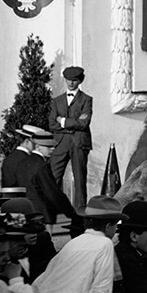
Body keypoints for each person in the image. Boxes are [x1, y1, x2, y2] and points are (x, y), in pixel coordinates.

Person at [49, 64, 94, 209]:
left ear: (80, 81)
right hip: (60, 143)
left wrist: (62, 121)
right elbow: (51, 124)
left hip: (79, 143)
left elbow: (84, 123)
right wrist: (72, 124)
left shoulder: (86, 99)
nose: (71, 83)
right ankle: (52, 211)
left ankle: (80, 215)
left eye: (74, 80)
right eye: (68, 80)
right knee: (54, 177)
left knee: (80, 180)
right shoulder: (56, 101)